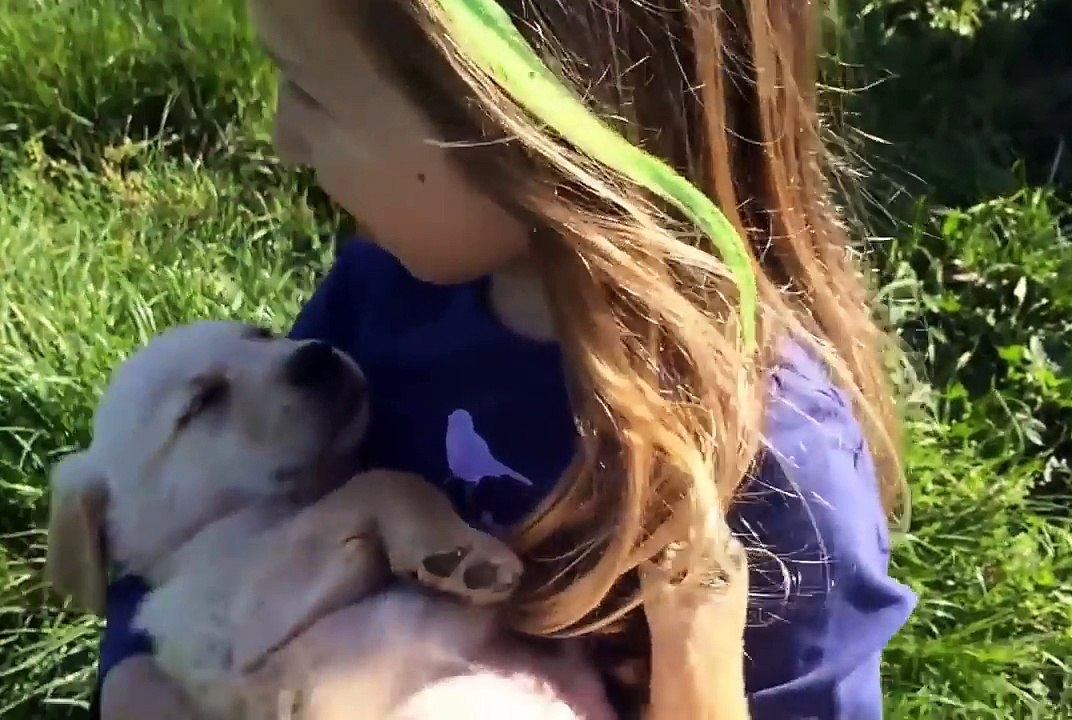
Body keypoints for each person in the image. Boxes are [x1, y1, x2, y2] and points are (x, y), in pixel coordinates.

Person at [92, 0, 918, 717]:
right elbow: (192, 532)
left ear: (528, 124)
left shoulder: (776, 469)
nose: (284, 142)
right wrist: (134, 674)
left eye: (310, 90)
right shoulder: (380, 295)